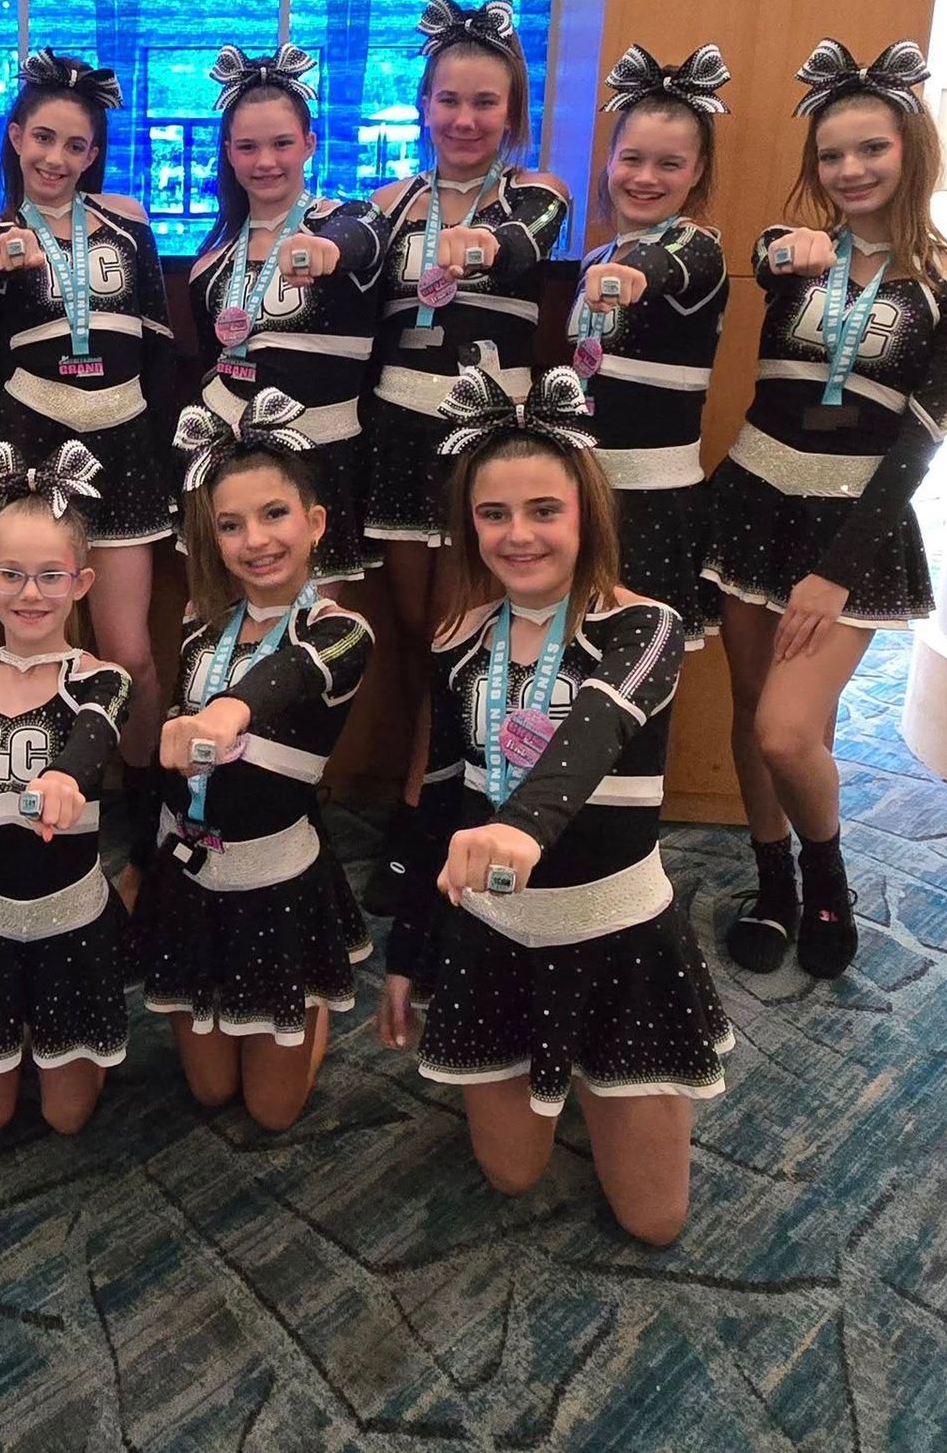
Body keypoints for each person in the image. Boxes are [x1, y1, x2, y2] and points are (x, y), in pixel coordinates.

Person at [377, 365, 733, 1246]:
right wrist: (407, 953)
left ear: (587, 515)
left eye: (544, 510)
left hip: (618, 937)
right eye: (493, 514)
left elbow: (597, 728)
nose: (517, 534)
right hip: (494, 935)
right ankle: (566, 1071)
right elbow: (442, 812)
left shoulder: (643, 626)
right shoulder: (460, 641)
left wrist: (521, 824)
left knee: (656, 1221)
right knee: (512, 1174)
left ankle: (598, 1073)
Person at [707, 39, 947, 980]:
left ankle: (828, 879)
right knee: (755, 709)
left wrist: (836, 569)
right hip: (751, 498)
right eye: (832, 156)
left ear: (912, 148)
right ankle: (773, 881)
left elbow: (922, 439)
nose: (851, 170)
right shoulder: (796, 255)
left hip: (853, 528)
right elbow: (753, 252)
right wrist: (776, 249)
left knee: (789, 728)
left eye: (871, 148)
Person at [362, 0, 571, 901]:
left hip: (486, 445)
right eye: (449, 100)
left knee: (466, 637)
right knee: (418, 637)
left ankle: (424, 821)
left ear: (512, 113)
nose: (464, 119)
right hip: (397, 435)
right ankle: (434, 794)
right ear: (422, 105)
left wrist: (480, 240)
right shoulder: (384, 203)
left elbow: (522, 249)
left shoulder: (539, 195)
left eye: (485, 102)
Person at [141, 391, 375, 1130]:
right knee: (209, 1091)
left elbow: (291, 674)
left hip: (277, 884)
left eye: (275, 514)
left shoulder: (341, 629)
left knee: (273, 1111)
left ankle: (314, 1001)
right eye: (231, 524)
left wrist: (223, 713)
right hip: (190, 873)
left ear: (315, 524)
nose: (256, 540)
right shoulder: (197, 624)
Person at [0, 52, 174, 871]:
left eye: (77, 145)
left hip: (123, 438)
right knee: (26, 636)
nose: (57, 157)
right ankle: (26, 797)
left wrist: (164, 452)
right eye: (43, 137)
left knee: (128, 649)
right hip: (24, 439)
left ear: (95, 153)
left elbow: (157, 340)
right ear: (15, 137)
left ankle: (147, 807)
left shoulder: (127, 224)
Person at [0, 441, 134, 1133]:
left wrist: (68, 774)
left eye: (50, 575)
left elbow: (95, 734)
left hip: (68, 922)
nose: (30, 593)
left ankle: (111, 938)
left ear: (83, 582)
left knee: (69, 1120)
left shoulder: (100, 679)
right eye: (11, 574)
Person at [185, 43, 389, 585]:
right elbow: (214, 361)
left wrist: (329, 250)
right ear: (228, 152)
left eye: (282, 144)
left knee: (323, 626)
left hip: (322, 456)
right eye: (248, 147)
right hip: (227, 458)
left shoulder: (351, 219)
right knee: (225, 613)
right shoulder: (211, 263)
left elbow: (363, 241)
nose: (266, 161)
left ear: (310, 145)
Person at [565, 43, 732, 646]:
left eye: (669, 164)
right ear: (609, 162)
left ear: (697, 172)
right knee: (575, 665)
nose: (644, 177)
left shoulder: (699, 250)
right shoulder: (598, 257)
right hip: (583, 490)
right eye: (631, 158)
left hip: (653, 504)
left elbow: (670, 268)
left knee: (642, 672)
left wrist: (641, 276)